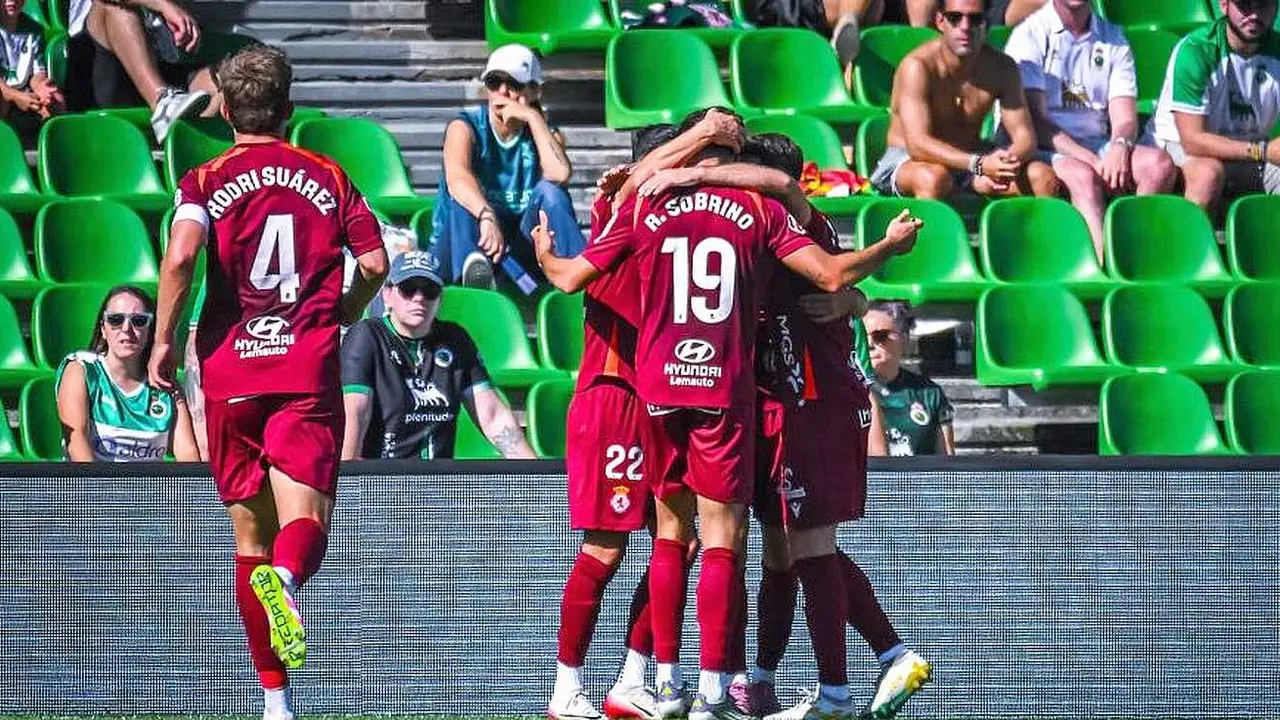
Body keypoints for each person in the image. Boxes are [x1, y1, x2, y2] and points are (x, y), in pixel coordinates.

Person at [536, 117, 922, 720]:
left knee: (745, 543)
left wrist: (855, 298)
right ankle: (684, 685)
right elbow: (829, 271)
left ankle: (712, 682)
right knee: (728, 544)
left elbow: (566, 274)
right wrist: (861, 288)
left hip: (722, 394)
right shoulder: (689, 208)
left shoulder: (666, 208)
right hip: (687, 393)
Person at [149, 45, 389, 720]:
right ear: (289, 107)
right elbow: (373, 261)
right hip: (304, 372)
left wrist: (166, 341)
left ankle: (275, 704)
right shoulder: (328, 175)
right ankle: (287, 582)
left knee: (248, 541)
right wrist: (342, 311)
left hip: (231, 372)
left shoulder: (204, 178)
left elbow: (180, 257)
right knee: (303, 524)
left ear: (224, 107)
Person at [547, 113, 744, 720]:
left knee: (676, 543)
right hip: (615, 393)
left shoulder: (676, 220)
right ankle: (565, 687)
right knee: (606, 548)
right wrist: (707, 133)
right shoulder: (624, 207)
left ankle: (634, 679)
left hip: (668, 396)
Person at [1003, 0, 1177, 259]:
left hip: (1097, 141)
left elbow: (1125, 117)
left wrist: (1119, 146)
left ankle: (1135, 255)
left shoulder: (1113, 38)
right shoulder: (1029, 35)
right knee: (1082, 175)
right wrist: (1092, 160)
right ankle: (1100, 262)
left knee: (1158, 164)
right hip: (1046, 145)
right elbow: (1036, 124)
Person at [340, 251, 535, 461]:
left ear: (440, 299)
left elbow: (493, 416)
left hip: (439, 481)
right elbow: (356, 412)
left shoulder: (455, 339)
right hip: (383, 478)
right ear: (388, 294)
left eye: (429, 290)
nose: (419, 298)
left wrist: (537, 481)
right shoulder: (366, 336)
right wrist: (347, 478)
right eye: (408, 289)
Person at [427, 43, 584, 291]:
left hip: (517, 245)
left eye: (514, 85)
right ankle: (475, 274)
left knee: (552, 193)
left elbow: (559, 174)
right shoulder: (465, 127)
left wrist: (532, 118)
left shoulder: (543, 133)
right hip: (465, 239)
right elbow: (457, 178)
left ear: (533, 92)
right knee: (464, 198)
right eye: (494, 83)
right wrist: (486, 215)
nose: (502, 92)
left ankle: (582, 272)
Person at [869, 0, 1061, 201]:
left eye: (975, 19)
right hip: (910, 161)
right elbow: (918, 144)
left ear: (986, 24)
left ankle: (1025, 233)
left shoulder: (1002, 68)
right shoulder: (918, 67)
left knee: (1042, 177)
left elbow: (1025, 137)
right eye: (955, 18)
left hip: (970, 158)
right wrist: (978, 164)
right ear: (940, 21)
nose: (965, 27)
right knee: (934, 178)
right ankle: (929, 233)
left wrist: (1006, 162)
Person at [1147, 0, 1280, 214]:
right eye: (1245, 6)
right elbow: (1192, 141)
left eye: (1263, 5)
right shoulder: (1197, 51)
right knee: (1208, 173)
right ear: (1224, 5)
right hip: (1179, 148)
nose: (1254, 14)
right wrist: (1262, 151)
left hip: (1249, 152)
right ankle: (1188, 244)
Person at [56, 285, 198, 462]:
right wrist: (102, 489)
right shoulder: (82, 370)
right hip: (94, 486)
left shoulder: (166, 387)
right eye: (115, 320)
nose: (126, 329)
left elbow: (188, 455)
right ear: (103, 329)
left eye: (138, 321)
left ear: (150, 330)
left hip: (150, 489)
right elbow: (76, 443)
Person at [66, 0, 231, 141]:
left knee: (228, 80)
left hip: (163, 62)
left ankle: (189, 144)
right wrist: (163, 5)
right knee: (112, 7)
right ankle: (162, 104)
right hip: (101, 67)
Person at [864, 302, 955, 456]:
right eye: (862, 337)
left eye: (880, 336)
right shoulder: (850, 392)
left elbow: (946, 459)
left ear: (904, 339)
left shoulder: (929, 393)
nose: (869, 344)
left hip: (921, 478)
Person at [0, 0, 64, 128]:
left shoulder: (34, 29)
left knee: (56, 99)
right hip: (4, 90)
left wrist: (41, 87)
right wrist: (15, 96)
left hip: (24, 89)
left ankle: (49, 141)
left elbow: (37, 72)